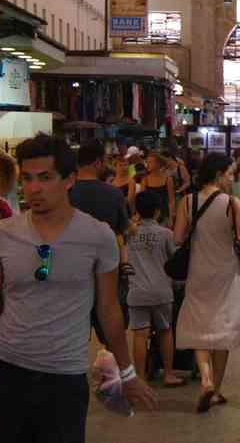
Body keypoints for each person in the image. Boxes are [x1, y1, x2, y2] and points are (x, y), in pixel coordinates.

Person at [0, 134, 156, 440]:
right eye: (27, 178)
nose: (33, 188)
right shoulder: (2, 235)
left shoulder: (98, 236)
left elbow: (108, 310)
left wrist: (127, 372)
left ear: (69, 180)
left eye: (45, 178)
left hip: (65, 378)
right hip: (8, 374)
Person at [173, 153, 240, 413]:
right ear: (220, 174)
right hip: (225, 273)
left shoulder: (187, 201)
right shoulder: (231, 203)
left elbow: (177, 238)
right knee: (223, 325)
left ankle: (206, 380)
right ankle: (217, 390)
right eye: (229, 173)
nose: (231, 178)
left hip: (198, 271)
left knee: (200, 324)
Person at [70, 139, 134, 340]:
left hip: (72, 269)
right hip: (107, 269)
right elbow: (124, 230)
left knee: (74, 330)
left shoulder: (66, 193)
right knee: (110, 331)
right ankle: (113, 368)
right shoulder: (113, 194)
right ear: (98, 162)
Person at [127, 190, 184, 387]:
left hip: (137, 292)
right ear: (158, 211)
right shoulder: (166, 234)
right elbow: (175, 261)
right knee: (165, 331)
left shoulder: (129, 234)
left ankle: (140, 378)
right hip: (162, 291)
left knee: (140, 335)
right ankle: (169, 374)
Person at [143, 153, 176, 227]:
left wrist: (171, 217)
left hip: (164, 215)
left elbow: (171, 200)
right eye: (147, 162)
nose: (147, 165)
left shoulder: (168, 179)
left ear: (158, 164)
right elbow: (142, 201)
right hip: (149, 217)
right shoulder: (145, 180)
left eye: (150, 162)